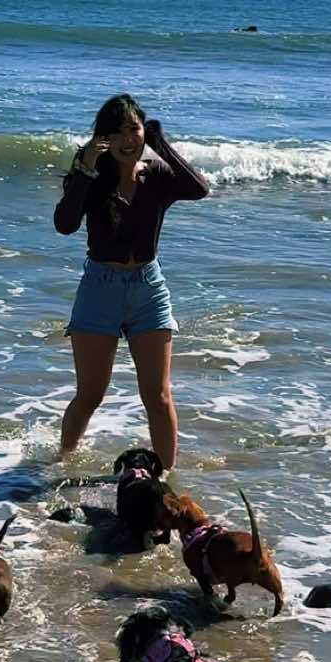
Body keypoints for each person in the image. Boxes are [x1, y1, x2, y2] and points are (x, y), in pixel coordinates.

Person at [53, 94, 209, 469]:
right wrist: (86, 170)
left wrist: (161, 143)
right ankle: (61, 467)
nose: (128, 139)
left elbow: (199, 188)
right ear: (102, 137)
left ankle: (166, 482)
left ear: (144, 132)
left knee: (157, 396)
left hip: (148, 290)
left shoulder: (156, 177)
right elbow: (65, 224)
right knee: (90, 395)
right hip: (99, 289)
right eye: (118, 131)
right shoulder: (92, 178)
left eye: (134, 129)